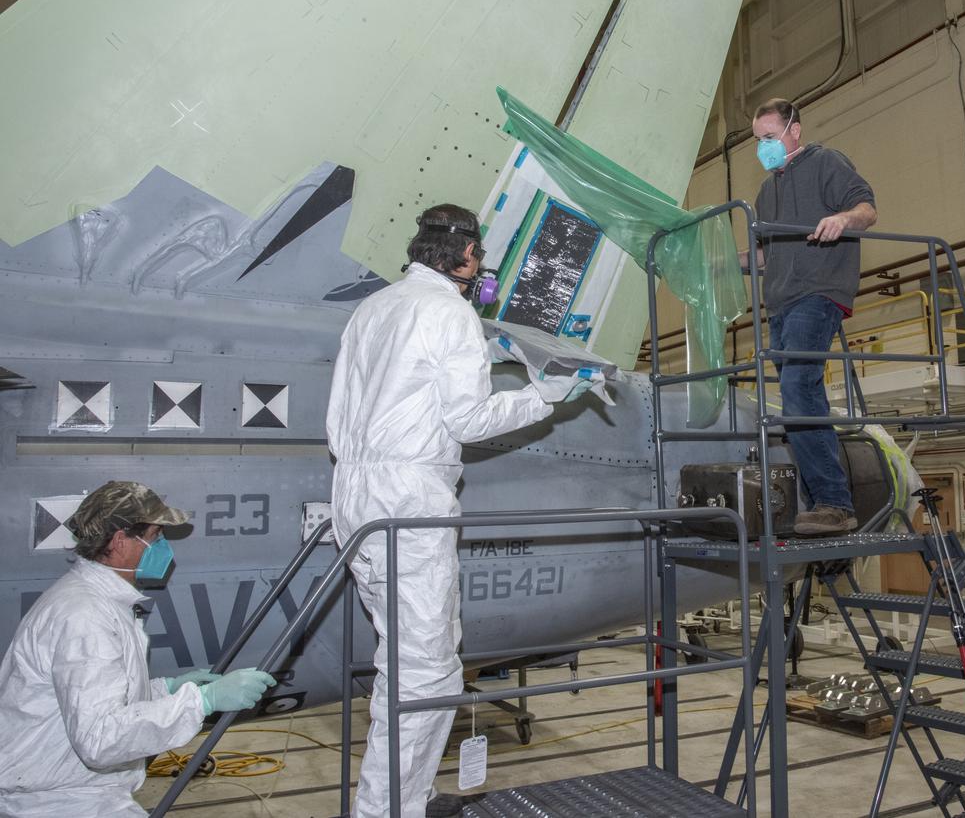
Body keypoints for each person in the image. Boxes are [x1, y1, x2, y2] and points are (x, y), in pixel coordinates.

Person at [327, 203, 591, 817]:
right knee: (427, 671)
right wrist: (544, 395)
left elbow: (347, 407)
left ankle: (404, 797)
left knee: (405, 658)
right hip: (410, 497)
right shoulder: (449, 312)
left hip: (355, 493)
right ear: (468, 257)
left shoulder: (373, 307)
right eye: (480, 258)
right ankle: (388, 809)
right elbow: (469, 419)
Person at [0, 481, 276, 817]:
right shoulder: (84, 616)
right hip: (56, 800)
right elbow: (100, 738)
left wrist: (168, 689)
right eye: (156, 538)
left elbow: (104, 698)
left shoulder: (97, 600)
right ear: (119, 541)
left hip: (71, 787)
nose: (162, 548)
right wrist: (201, 702)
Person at [749, 97, 878, 535]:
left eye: (770, 137)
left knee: (798, 386)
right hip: (780, 302)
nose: (763, 147)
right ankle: (817, 499)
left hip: (818, 292)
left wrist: (843, 219)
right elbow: (765, 255)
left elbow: (866, 208)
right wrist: (726, 262)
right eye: (758, 140)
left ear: (794, 130)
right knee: (797, 399)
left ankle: (835, 503)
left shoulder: (827, 163)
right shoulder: (767, 191)